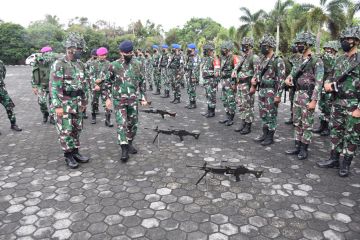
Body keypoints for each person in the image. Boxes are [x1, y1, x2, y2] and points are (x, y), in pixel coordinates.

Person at [317, 26, 360, 177]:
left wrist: (359, 108)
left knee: (352, 135)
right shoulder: (340, 59)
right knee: (336, 130)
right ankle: (334, 159)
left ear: (356, 41)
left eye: (348, 39)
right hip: (337, 102)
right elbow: (331, 75)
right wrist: (327, 84)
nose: (344, 42)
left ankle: (346, 163)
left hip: (353, 104)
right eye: (343, 39)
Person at [104, 40, 149, 162]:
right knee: (122, 124)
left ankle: (129, 142)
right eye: (126, 53)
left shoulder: (138, 64)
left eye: (130, 52)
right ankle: (124, 148)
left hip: (133, 100)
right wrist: (107, 98)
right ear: (121, 52)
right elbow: (107, 82)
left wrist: (143, 97)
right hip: (119, 100)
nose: (129, 55)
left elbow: (141, 82)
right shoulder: (114, 65)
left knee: (133, 124)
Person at [50, 32, 90, 169]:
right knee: (66, 130)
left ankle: (75, 152)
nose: (81, 52)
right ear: (71, 49)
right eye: (79, 50)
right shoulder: (59, 64)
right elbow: (54, 86)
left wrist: (85, 101)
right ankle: (68, 155)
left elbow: (85, 84)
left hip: (77, 103)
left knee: (76, 129)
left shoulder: (80, 64)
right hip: (64, 103)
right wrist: (57, 106)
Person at [284, 32, 324, 160]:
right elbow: (292, 73)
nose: (299, 46)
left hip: (308, 95)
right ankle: (297, 145)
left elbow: (319, 82)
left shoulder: (317, 61)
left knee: (307, 123)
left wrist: (314, 100)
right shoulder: (298, 60)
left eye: (301, 44)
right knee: (297, 122)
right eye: (297, 44)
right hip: (297, 94)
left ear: (308, 44)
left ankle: (304, 148)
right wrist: (288, 79)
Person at [250, 34, 285, 146]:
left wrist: (278, 95)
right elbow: (257, 73)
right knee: (263, 113)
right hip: (262, 90)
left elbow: (281, 79)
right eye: (261, 45)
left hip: (271, 91)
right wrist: (254, 80)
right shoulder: (262, 60)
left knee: (271, 114)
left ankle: (270, 136)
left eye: (264, 46)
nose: (261, 48)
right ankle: (264, 134)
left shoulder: (278, 60)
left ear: (270, 46)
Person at [232, 37, 259, 134]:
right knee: (241, 104)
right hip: (240, 84)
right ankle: (243, 122)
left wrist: (253, 87)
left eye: (245, 45)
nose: (243, 47)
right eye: (242, 44)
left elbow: (257, 73)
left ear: (250, 46)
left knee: (248, 105)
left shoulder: (254, 57)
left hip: (248, 85)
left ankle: (248, 125)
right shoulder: (242, 57)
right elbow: (237, 70)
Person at [313, 41, 338, 136]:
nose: (327, 51)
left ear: (334, 50)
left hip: (330, 87)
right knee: (322, 106)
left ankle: (328, 127)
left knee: (328, 107)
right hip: (322, 86)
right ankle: (322, 125)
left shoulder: (335, 59)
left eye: (329, 49)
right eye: (326, 49)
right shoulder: (322, 58)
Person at [31, 46, 56, 124]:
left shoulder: (56, 61)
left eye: (50, 53)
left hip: (53, 85)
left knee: (53, 102)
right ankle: (45, 114)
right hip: (42, 85)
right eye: (46, 53)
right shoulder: (38, 61)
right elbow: (34, 73)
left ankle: (52, 116)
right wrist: (34, 86)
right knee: (41, 101)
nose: (48, 55)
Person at [89, 47, 113, 127]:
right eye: (101, 55)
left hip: (105, 87)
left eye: (104, 55)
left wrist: (102, 79)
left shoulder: (109, 64)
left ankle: (108, 120)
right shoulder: (93, 63)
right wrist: (95, 84)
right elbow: (91, 75)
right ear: (98, 55)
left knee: (107, 103)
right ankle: (93, 116)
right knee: (94, 102)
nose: (103, 56)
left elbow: (110, 75)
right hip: (95, 87)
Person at [219, 41, 239, 126]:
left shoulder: (234, 58)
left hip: (230, 82)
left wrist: (234, 83)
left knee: (231, 100)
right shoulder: (224, 58)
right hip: (224, 82)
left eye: (223, 49)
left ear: (228, 49)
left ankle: (231, 118)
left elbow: (236, 71)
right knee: (224, 100)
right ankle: (227, 116)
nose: (222, 50)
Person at [0, 60, 22, 133]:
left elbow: (4, 73)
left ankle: (13, 124)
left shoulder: (0, 62)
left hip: (2, 89)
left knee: (9, 106)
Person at [201, 43, 220, 118]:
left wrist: (208, 73)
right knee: (208, 96)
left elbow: (216, 73)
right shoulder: (206, 59)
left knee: (212, 96)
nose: (204, 51)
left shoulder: (215, 59)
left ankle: (212, 112)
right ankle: (209, 111)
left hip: (211, 81)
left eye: (205, 50)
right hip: (206, 80)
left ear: (209, 51)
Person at [184, 43, 200, 109]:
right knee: (189, 89)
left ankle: (193, 104)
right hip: (188, 74)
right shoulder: (189, 56)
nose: (188, 49)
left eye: (189, 48)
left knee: (192, 90)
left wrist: (194, 77)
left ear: (192, 49)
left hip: (193, 75)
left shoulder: (196, 56)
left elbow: (195, 66)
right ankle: (191, 102)